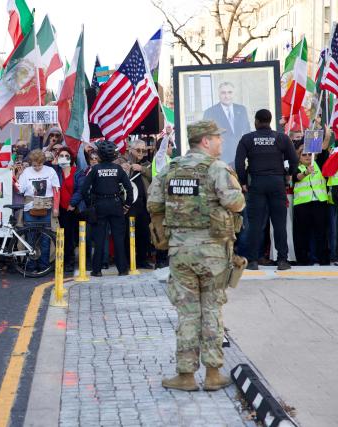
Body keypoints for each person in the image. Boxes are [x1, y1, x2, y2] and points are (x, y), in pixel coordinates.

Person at [147, 120, 246, 392]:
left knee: (188, 313)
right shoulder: (217, 169)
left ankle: (186, 376)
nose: (220, 142)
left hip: (181, 251)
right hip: (213, 251)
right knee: (212, 309)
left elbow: (153, 202)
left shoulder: (171, 168)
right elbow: (236, 203)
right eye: (217, 138)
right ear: (205, 141)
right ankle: (213, 374)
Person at [234, 109, 298, 270]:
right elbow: (294, 160)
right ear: (270, 121)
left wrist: (243, 182)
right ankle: (282, 261)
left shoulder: (247, 139)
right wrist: (289, 174)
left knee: (254, 224)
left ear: (256, 121)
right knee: (279, 223)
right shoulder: (281, 138)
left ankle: (253, 261)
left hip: (256, 183)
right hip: (277, 183)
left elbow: (239, 163)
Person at [80, 141, 134, 276]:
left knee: (99, 239)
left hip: (100, 205)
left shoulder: (95, 170)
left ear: (99, 155)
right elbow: (129, 188)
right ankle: (122, 269)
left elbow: (84, 190)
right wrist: (127, 205)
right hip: (116, 205)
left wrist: (90, 206)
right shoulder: (118, 169)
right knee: (118, 238)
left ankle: (97, 270)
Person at [16, 149, 60, 271]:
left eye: (39, 165)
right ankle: (31, 266)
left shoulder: (50, 171)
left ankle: (44, 265)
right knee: (31, 238)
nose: (37, 167)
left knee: (46, 238)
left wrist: (56, 207)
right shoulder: (26, 172)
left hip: (46, 207)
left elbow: (56, 190)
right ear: (31, 163)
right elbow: (20, 190)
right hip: (30, 208)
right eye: (34, 165)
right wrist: (18, 177)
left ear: (43, 162)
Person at [292, 142, 330, 265]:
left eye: (309, 154)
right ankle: (303, 260)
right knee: (302, 234)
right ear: (299, 156)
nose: (308, 156)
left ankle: (323, 260)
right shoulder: (296, 167)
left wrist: (326, 135)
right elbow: (295, 177)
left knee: (321, 233)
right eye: (304, 155)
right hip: (302, 205)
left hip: (319, 203)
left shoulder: (318, 164)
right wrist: (305, 173)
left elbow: (324, 149)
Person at [202, 81, 251, 164]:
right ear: (219, 94)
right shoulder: (209, 112)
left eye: (229, 92)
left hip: (240, 156)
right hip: (220, 159)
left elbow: (247, 131)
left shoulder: (242, 109)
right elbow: (205, 137)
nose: (227, 96)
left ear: (234, 94)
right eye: (223, 93)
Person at [125, 140, 153, 269]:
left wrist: (141, 169)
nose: (141, 153)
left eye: (143, 150)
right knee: (128, 233)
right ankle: (129, 260)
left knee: (144, 233)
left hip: (143, 203)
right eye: (138, 150)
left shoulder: (147, 164)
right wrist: (127, 168)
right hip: (129, 205)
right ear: (131, 150)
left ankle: (142, 259)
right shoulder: (124, 163)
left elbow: (154, 177)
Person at [55, 147, 78, 272]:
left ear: (71, 158)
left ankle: (70, 261)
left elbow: (80, 189)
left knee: (70, 236)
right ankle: (60, 259)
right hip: (59, 208)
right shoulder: (55, 171)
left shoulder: (76, 171)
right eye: (61, 155)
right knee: (60, 235)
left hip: (72, 208)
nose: (63, 157)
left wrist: (73, 203)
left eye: (66, 155)